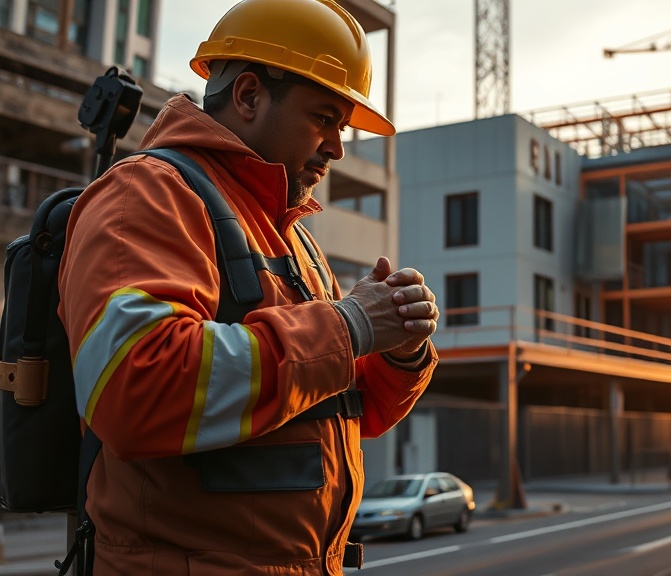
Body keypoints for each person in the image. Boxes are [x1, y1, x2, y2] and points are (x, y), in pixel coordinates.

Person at [56, 1, 438, 574]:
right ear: (250, 96)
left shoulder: (293, 239)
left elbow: (345, 411)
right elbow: (136, 387)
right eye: (325, 119)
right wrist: (352, 324)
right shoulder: (148, 194)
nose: (336, 148)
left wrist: (397, 348)